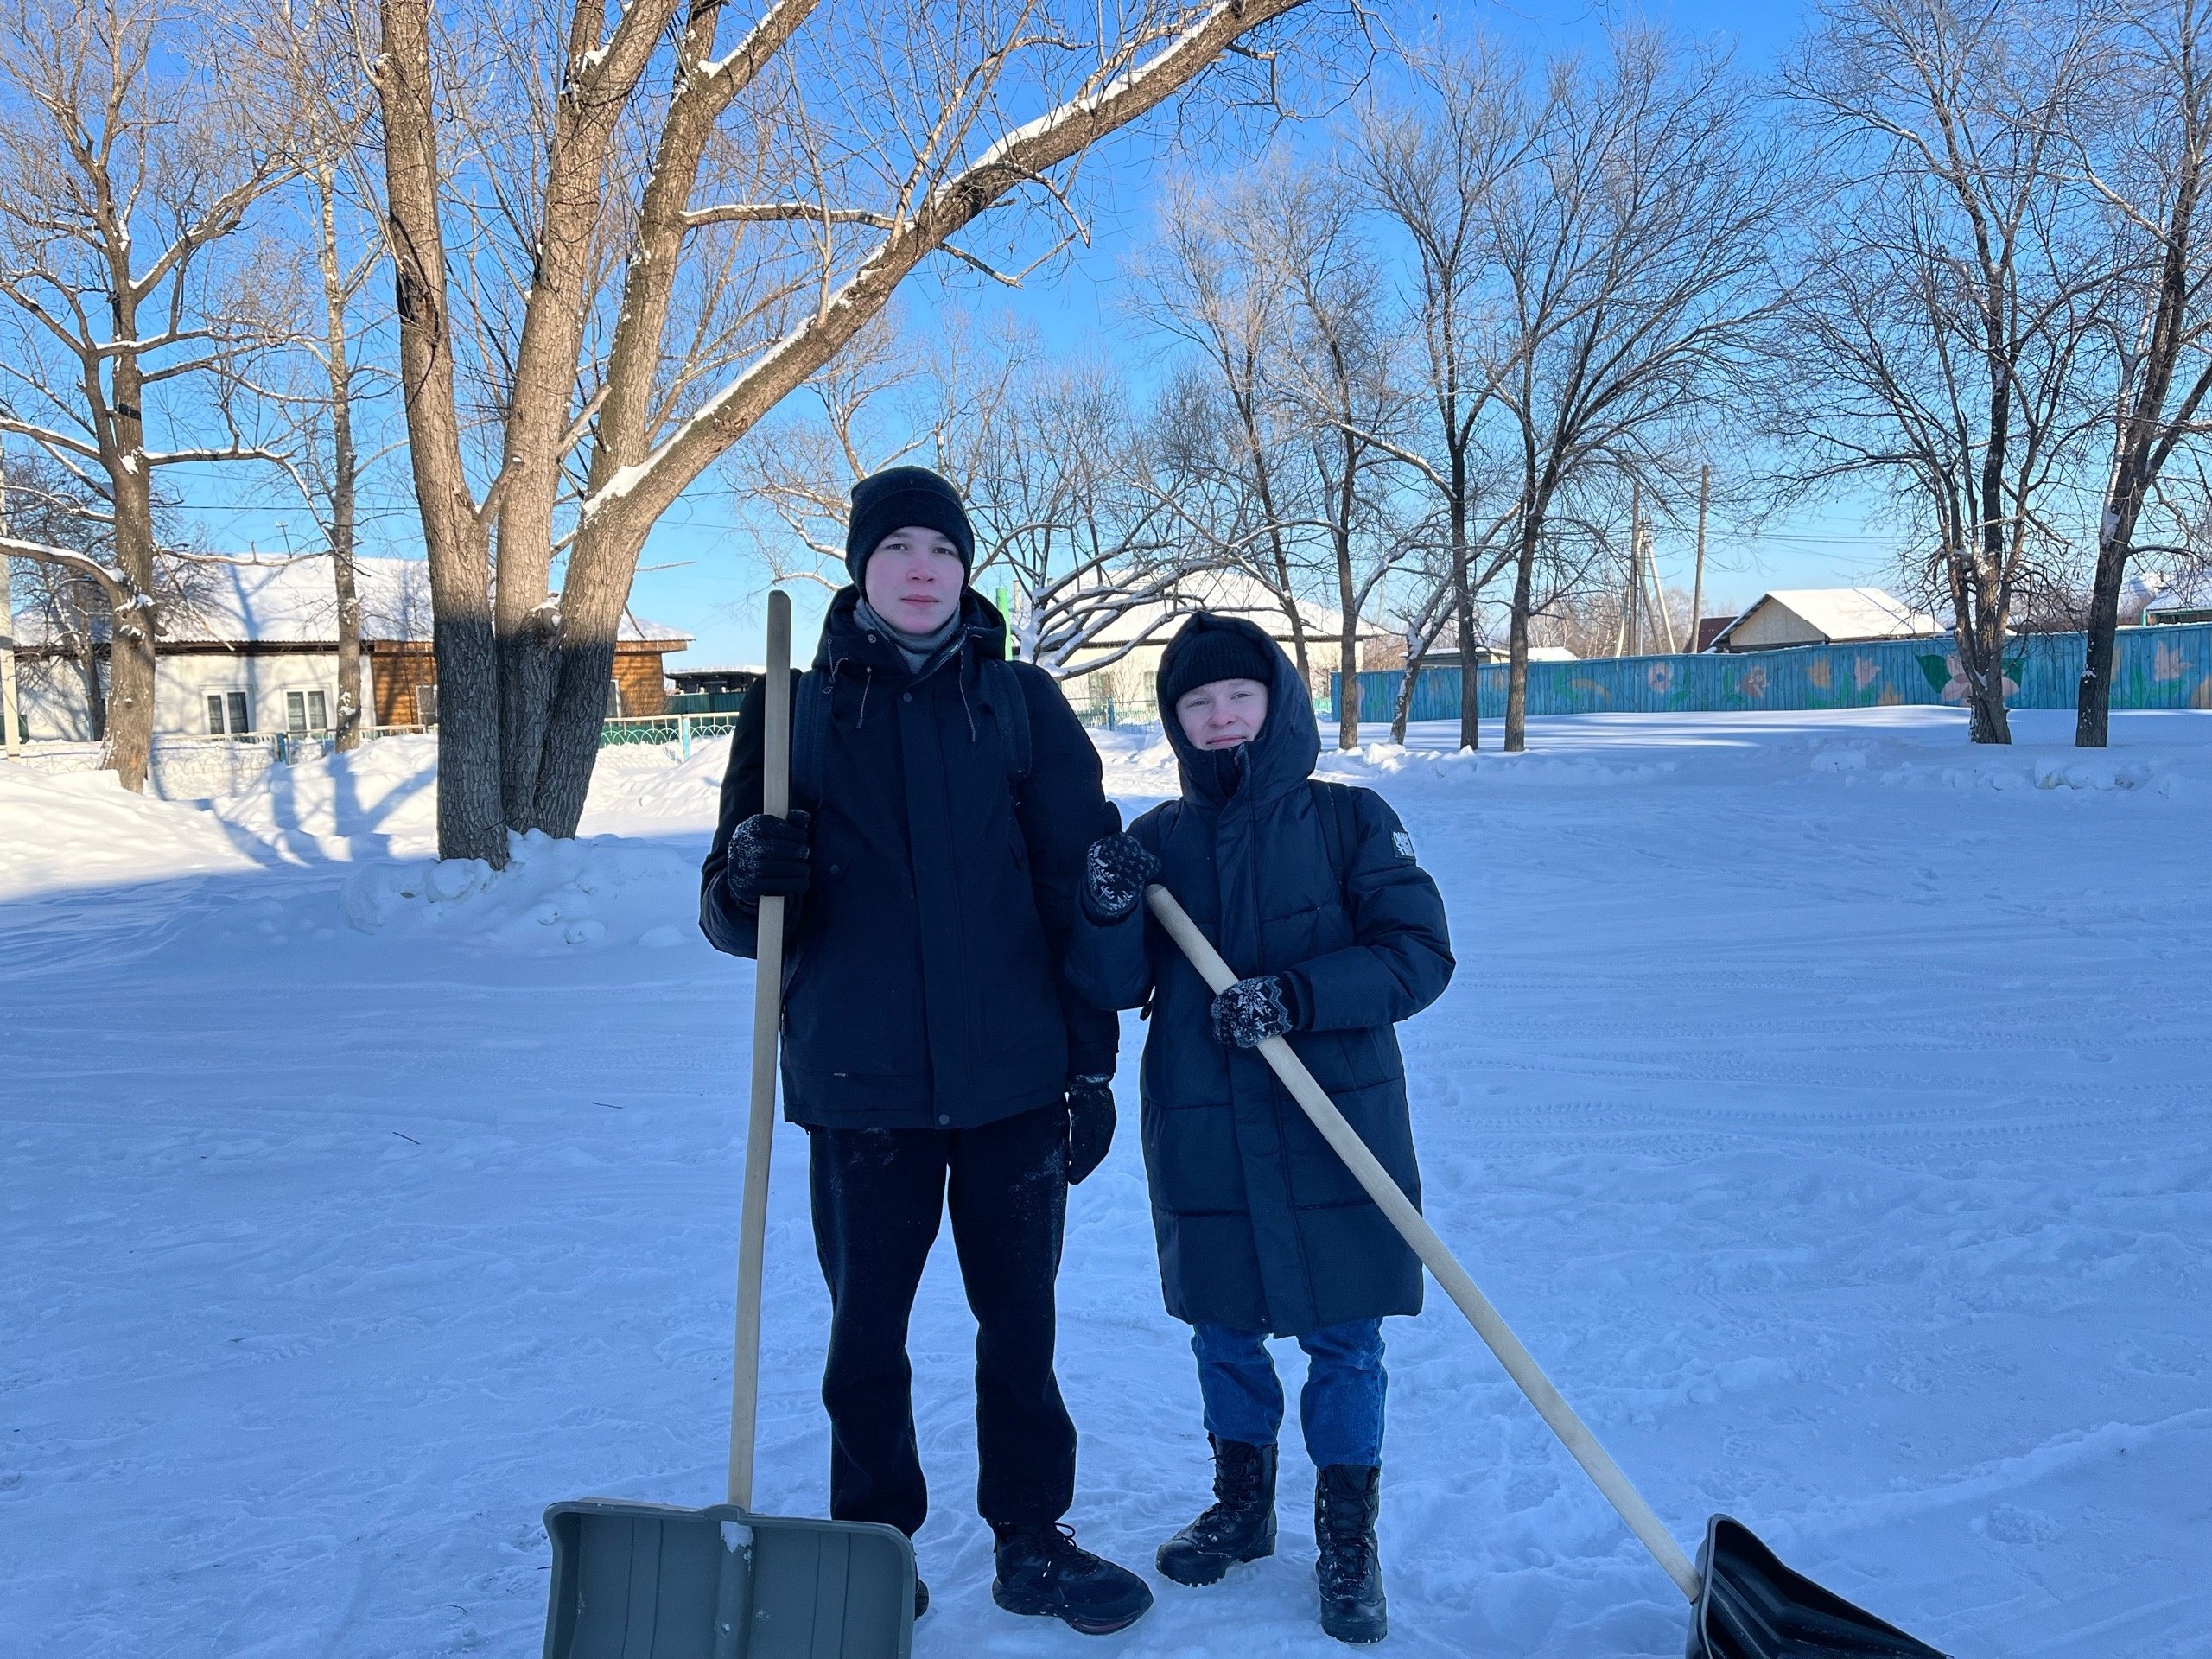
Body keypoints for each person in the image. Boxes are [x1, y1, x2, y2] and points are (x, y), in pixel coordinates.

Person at [699, 465, 1152, 1637]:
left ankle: (1031, 1538)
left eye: (941, 552)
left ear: (966, 570)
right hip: (859, 1086)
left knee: (1023, 1329)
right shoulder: (789, 712)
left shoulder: (1021, 707)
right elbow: (725, 914)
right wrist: (750, 874)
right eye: (896, 548)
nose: (919, 571)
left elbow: (1079, 897)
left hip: (1013, 1080)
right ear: (861, 565)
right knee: (866, 1339)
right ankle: (870, 1546)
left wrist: (1091, 1063)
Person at [1066, 612, 1453, 1645]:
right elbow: (1111, 985)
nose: (1221, 716)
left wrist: (1297, 995)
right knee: (1223, 1328)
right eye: (1198, 703)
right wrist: (1104, 908)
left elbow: (1418, 955)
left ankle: (1345, 1536)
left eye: (1239, 696)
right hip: (1205, 1126)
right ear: (1176, 720)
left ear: (1278, 702)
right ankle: (1242, 1508)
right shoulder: (1159, 842)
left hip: (1333, 1119)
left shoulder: (1349, 823)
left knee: (1345, 1334)